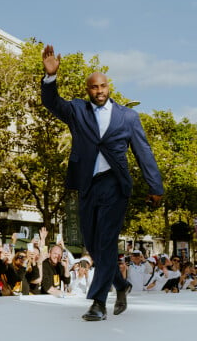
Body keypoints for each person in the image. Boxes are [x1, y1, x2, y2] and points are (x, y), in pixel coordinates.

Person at [41, 45, 163, 321]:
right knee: (93, 245)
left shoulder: (128, 117)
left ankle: (97, 302)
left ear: (109, 87)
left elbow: (144, 152)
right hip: (87, 184)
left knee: (106, 241)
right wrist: (50, 78)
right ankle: (121, 284)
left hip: (115, 185)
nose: (99, 91)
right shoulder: (77, 110)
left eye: (102, 86)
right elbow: (52, 103)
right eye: (93, 88)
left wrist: (155, 187)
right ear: (88, 90)